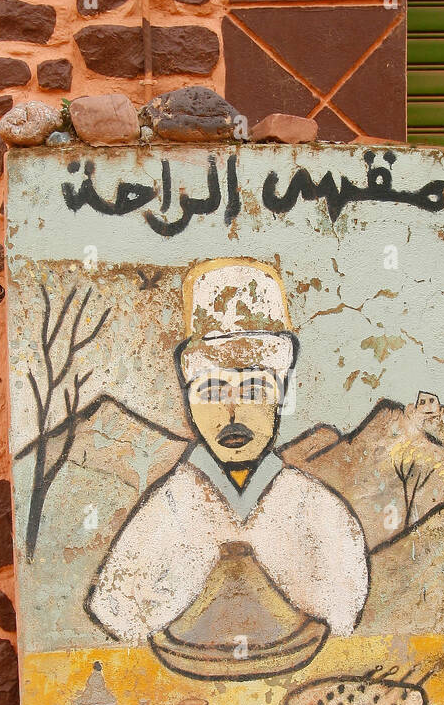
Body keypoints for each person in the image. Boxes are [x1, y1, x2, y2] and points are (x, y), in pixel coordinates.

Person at [85, 258, 369, 648]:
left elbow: (344, 619)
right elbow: (120, 617)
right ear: (189, 401)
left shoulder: (319, 511)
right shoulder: (166, 510)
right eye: (213, 391)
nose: (232, 412)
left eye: (252, 390)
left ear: (280, 396)